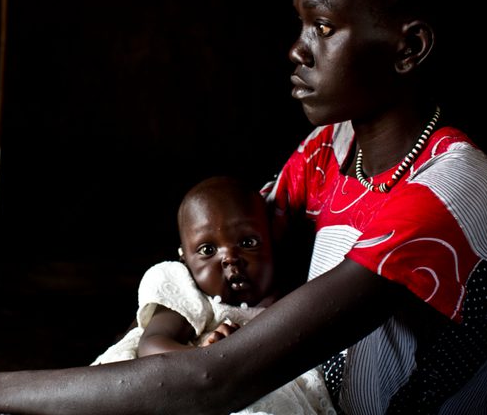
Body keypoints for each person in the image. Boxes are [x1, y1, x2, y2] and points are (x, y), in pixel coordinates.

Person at [0, 0, 487, 415]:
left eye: (323, 28)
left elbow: (215, 381)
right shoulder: (335, 147)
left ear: (408, 48)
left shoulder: (446, 193)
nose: (297, 49)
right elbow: (212, 265)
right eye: (301, 23)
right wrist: (177, 323)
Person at [91, 176, 334, 414]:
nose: (230, 258)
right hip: (189, 386)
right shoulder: (190, 294)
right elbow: (152, 345)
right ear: (184, 259)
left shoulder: (292, 298)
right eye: (208, 250)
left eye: (248, 242)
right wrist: (210, 357)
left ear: (271, 242)